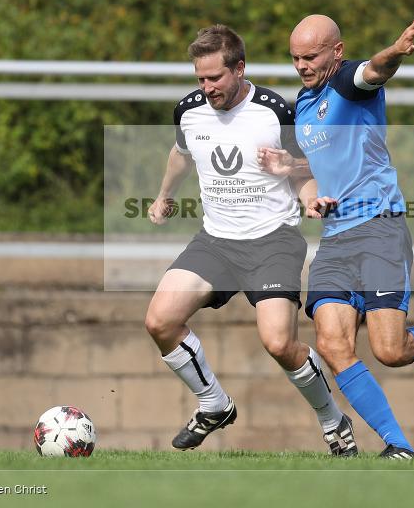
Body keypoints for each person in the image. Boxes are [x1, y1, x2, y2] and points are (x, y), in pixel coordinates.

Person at [258, 10, 414, 460]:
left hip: (379, 228)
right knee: (332, 345)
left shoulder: (348, 81)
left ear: (337, 51)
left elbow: (375, 70)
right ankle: (399, 446)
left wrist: (396, 51)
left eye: (311, 57)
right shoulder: (304, 103)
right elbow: (329, 158)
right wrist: (292, 170)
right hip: (335, 237)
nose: (302, 66)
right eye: (295, 58)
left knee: (391, 351)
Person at [144, 24, 357, 456]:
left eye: (215, 78)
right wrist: (164, 195)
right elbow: (181, 154)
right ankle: (213, 404)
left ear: (239, 68)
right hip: (216, 242)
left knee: (279, 343)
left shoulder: (275, 111)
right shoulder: (189, 110)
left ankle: (333, 420)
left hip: (272, 242)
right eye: (200, 79)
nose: (207, 88)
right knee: (160, 321)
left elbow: (303, 170)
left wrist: (311, 200)